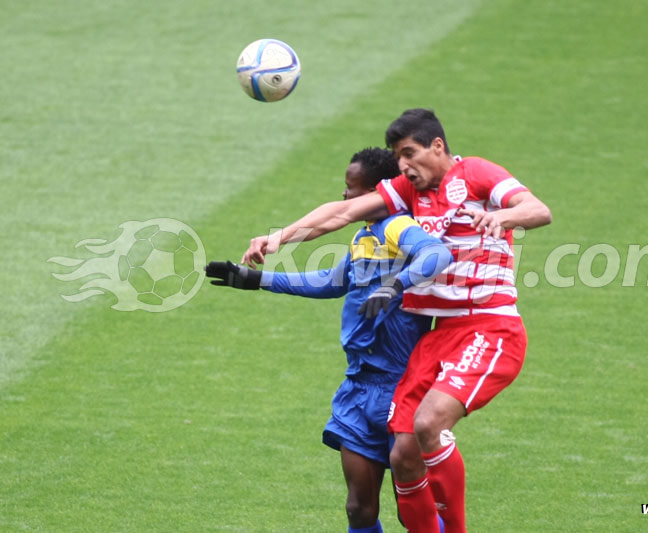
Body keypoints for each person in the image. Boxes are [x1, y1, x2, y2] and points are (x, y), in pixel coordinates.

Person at [241, 109, 552, 532]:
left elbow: (538, 209)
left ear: (436, 146)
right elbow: (341, 212)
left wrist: (503, 217)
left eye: (410, 153)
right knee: (403, 454)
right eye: (398, 157)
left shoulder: (476, 173)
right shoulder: (409, 191)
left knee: (427, 424)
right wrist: (279, 237)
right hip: (440, 335)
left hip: (489, 326)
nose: (403, 166)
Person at [207, 147, 452, 533]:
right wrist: (257, 280)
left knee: (413, 514)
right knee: (359, 508)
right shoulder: (364, 236)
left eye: (352, 190)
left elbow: (437, 253)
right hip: (358, 387)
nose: (345, 197)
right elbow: (333, 282)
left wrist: (395, 286)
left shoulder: (400, 227)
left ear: (379, 192)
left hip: (403, 390)